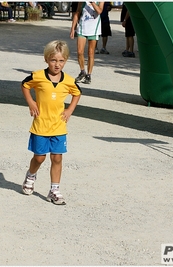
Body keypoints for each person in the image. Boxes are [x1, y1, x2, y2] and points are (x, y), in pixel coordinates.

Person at [21, 40, 81, 205]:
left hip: (59, 126)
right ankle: (31, 175)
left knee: (57, 158)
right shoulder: (37, 76)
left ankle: (54, 190)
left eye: (61, 61)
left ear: (66, 61)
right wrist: (31, 102)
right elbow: (25, 85)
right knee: (39, 158)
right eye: (53, 60)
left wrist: (69, 110)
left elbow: (77, 93)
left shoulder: (69, 80)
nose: (57, 64)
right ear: (46, 59)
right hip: (41, 125)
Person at [70, 1, 104, 84]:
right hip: (82, 28)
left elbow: (99, 11)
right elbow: (77, 13)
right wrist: (73, 29)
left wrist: (92, 2)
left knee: (91, 53)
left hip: (94, 29)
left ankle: (89, 74)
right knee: (80, 52)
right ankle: (82, 71)